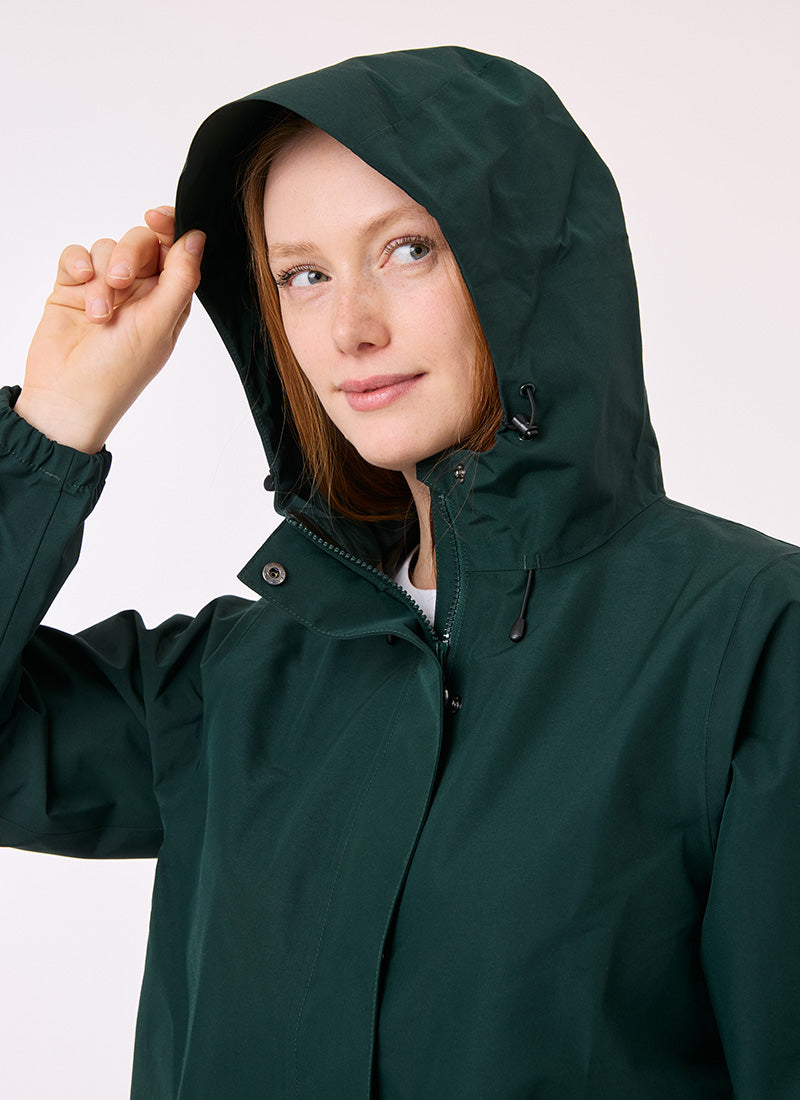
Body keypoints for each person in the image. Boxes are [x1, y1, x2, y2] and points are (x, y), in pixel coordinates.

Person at [1, 44, 799, 1098]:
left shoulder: (751, 640)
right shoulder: (233, 681)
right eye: (304, 275)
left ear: (528, 264)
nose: (351, 328)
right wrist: (50, 428)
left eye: (409, 249)